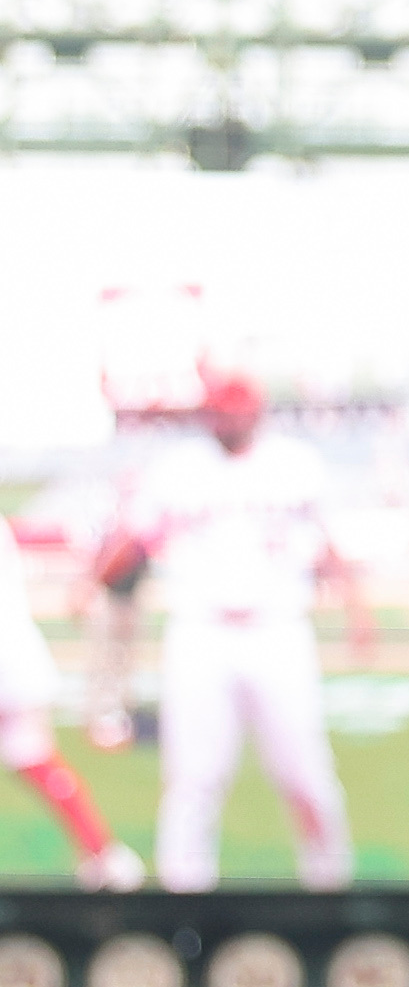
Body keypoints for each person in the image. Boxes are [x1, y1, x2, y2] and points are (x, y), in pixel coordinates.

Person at [97, 369, 370, 890]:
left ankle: (330, 886)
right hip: (200, 633)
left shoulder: (295, 465)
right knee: (192, 778)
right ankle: (185, 895)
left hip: (278, 631)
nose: (230, 419)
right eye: (221, 409)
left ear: (259, 411)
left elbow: (328, 543)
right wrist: (103, 573)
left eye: (239, 409)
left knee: (306, 773)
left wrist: (358, 612)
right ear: (207, 414)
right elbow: (134, 543)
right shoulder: (176, 470)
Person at [0, 563, 139, 887]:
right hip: (14, 658)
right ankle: (104, 855)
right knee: (35, 761)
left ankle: (104, 855)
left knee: (33, 759)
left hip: (9, 661)